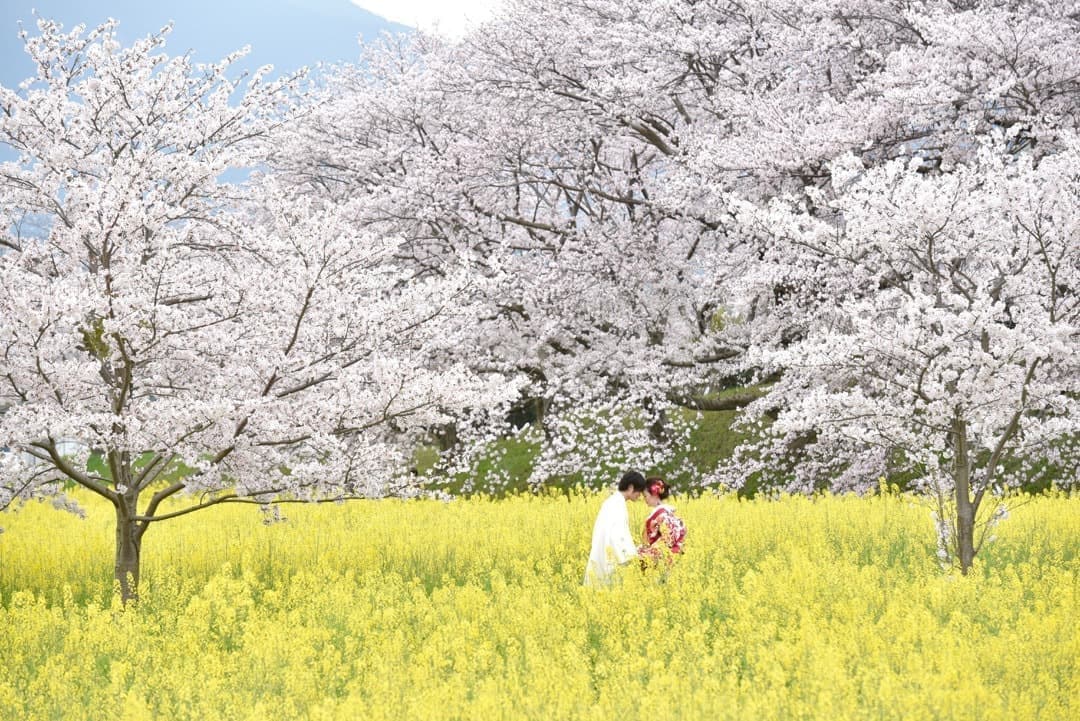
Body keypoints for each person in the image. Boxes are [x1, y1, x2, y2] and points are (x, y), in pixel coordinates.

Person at [583, 470, 647, 586]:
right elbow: (618, 535)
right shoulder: (617, 505)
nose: (640, 495)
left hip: (603, 552)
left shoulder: (612, 502)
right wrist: (632, 557)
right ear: (631, 487)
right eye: (639, 491)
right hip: (611, 557)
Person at [638, 476, 686, 570]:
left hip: (662, 560)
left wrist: (649, 552)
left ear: (654, 494)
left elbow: (669, 537)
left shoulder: (662, 513)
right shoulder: (665, 511)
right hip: (659, 556)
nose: (645, 499)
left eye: (645, 496)